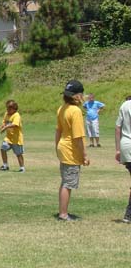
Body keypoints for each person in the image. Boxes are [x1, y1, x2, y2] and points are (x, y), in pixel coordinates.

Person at [55, 80, 90, 221]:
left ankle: (62, 211)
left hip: (63, 147)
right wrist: (84, 155)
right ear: (77, 96)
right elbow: (78, 137)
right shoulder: (75, 111)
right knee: (68, 184)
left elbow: (58, 131)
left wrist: (57, 147)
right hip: (71, 150)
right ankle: (63, 214)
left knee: (65, 181)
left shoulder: (62, 108)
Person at [114, 95, 131, 223]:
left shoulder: (125, 105)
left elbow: (117, 128)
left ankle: (128, 215)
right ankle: (129, 214)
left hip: (126, 146)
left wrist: (118, 149)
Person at [0, 100, 25, 172]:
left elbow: (15, 124)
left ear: (14, 109)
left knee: (18, 154)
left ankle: (22, 168)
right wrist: (2, 125)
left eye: (9, 109)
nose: (7, 110)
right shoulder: (6, 114)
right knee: (3, 148)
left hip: (16, 139)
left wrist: (5, 127)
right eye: (7, 108)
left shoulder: (16, 115)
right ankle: (5, 165)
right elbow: (4, 121)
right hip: (8, 138)